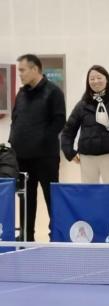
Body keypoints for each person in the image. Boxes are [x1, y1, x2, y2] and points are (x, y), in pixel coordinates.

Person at [9, 54, 66, 241]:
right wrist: (13, 141)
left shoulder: (53, 92)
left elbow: (59, 121)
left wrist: (42, 140)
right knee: (26, 198)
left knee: (52, 197)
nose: (20, 74)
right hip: (22, 157)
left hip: (45, 157)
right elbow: (16, 118)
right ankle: (27, 236)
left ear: (35, 69)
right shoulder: (21, 93)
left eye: (22, 70)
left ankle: (57, 235)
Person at [61, 65, 109, 183]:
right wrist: (69, 152)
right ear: (88, 82)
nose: (95, 81)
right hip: (87, 157)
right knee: (89, 192)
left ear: (107, 79)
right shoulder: (81, 105)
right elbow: (68, 131)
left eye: (99, 77)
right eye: (91, 79)